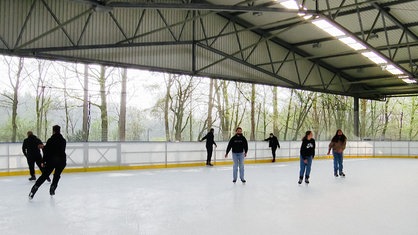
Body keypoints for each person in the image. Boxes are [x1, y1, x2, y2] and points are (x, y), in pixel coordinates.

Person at [29, 125, 67, 199]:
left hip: (52, 160)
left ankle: (34, 189)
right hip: (61, 161)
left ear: (53, 131)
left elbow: (48, 152)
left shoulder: (50, 140)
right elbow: (59, 150)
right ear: (59, 130)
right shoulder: (63, 140)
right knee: (57, 175)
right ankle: (53, 187)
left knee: (44, 175)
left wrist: (43, 161)